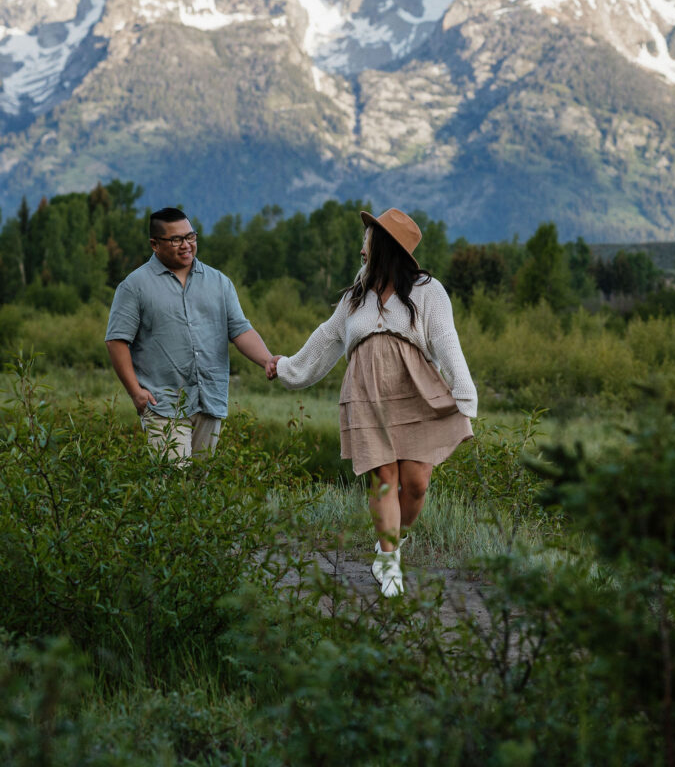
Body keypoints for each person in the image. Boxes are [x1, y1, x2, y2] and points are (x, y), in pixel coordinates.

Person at [265, 208, 476, 598]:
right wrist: (288, 368)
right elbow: (326, 340)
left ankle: (388, 544)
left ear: (383, 245)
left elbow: (448, 344)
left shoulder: (429, 291)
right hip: (366, 393)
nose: (362, 244)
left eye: (369, 236)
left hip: (415, 392)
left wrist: (464, 391)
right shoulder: (355, 296)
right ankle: (390, 563)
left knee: (416, 484)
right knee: (384, 480)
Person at [105, 207, 273, 461]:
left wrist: (268, 360)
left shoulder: (219, 282)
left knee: (199, 489)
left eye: (190, 237)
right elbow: (117, 340)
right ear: (154, 244)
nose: (186, 245)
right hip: (162, 403)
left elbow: (240, 330)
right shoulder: (134, 286)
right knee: (171, 487)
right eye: (176, 239)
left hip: (210, 400)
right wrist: (134, 392)